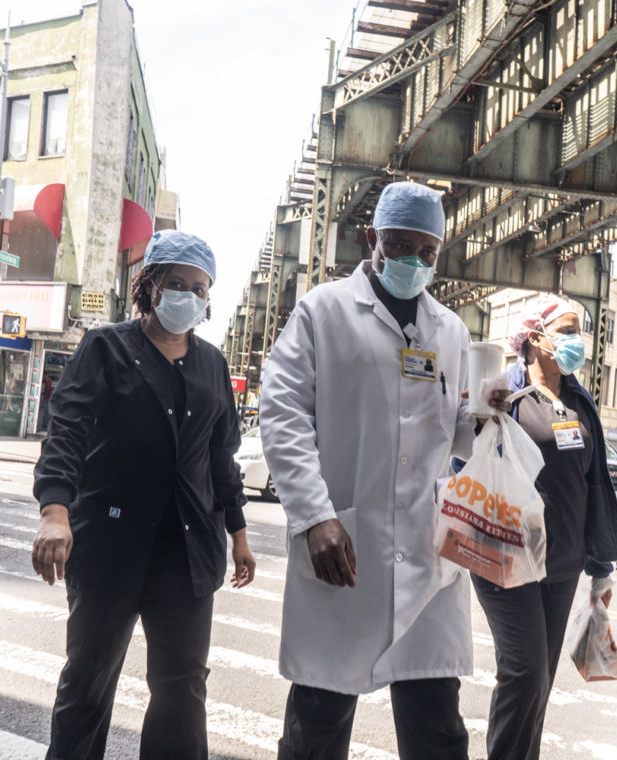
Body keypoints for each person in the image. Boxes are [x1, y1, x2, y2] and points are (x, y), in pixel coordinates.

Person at [259, 181, 508, 760]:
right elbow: (282, 409)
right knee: (316, 727)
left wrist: (489, 416)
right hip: (344, 545)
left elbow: (456, 436)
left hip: (428, 560)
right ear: (371, 238)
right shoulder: (323, 311)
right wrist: (315, 516)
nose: (414, 262)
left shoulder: (449, 330)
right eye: (400, 247)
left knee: (438, 732)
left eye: (427, 252)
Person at [31, 230, 256, 760]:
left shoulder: (212, 366)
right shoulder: (106, 348)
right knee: (87, 683)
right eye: (176, 283)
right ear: (149, 285)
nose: (188, 295)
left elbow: (221, 459)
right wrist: (55, 511)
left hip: (186, 552)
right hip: (111, 545)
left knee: (182, 691)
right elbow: (67, 430)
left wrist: (239, 534)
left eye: (200, 288)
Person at [466, 294, 617, 760]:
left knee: (540, 683)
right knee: (525, 672)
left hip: (563, 563)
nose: (577, 341)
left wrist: (600, 567)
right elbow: (463, 459)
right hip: (506, 556)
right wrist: (478, 415)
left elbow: (592, 482)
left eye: (579, 331)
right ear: (535, 338)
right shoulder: (505, 391)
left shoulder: (579, 399)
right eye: (567, 330)